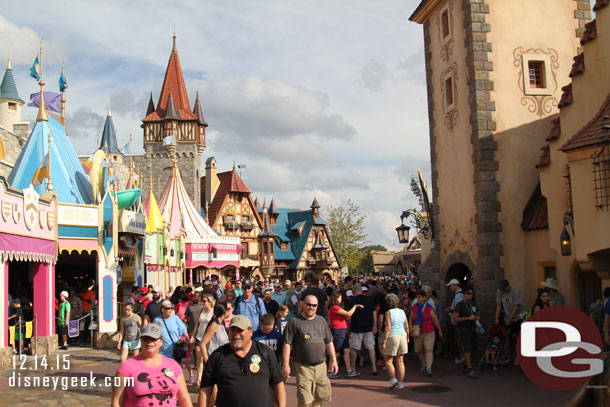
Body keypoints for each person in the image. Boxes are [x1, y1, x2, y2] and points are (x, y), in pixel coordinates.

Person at [199, 315, 286, 407]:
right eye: (233, 330)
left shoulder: (265, 352)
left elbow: (278, 383)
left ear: (251, 332)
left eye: (240, 330)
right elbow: (205, 390)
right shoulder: (217, 356)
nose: (236, 334)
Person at [111, 323, 193, 407]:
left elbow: (184, 398)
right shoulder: (126, 367)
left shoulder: (173, 365)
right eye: (145, 339)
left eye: (153, 339)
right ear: (141, 341)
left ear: (161, 342)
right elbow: (116, 402)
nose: (149, 342)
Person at [282, 295, 337, 407]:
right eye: (309, 304)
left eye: (314, 305)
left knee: (319, 398)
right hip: (303, 366)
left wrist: (334, 360)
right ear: (303, 305)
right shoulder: (294, 321)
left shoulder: (322, 321)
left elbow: (329, 342)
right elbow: (287, 344)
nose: (311, 307)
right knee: (304, 400)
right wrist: (286, 365)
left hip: (321, 366)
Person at [327, 291, 363, 378]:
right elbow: (348, 314)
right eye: (340, 298)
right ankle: (330, 371)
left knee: (347, 350)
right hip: (338, 330)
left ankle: (349, 370)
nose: (341, 299)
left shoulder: (338, 308)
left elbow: (347, 316)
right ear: (336, 299)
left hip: (342, 329)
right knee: (336, 352)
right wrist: (355, 306)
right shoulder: (334, 308)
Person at [346, 283, 378, 376]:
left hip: (356, 327)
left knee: (354, 348)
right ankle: (374, 367)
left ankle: (353, 368)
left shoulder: (352, 301)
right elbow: (374, 312)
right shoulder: (369, 299)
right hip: (368, 326)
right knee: (371, 347)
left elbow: (349, 316)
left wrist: (348, 328)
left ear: (354, 291)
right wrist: (374, 325)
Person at [379, 293, 409, 389]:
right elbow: (407, 326)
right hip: (402, 335)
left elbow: (388, 328)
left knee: (388, 360)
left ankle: (393, 379)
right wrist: (408, 337)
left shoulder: (388, 312)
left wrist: (384, 341)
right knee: (400, 361)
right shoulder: (402, 312)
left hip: (393, 336)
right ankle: (401, 383)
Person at [410, 290, 442, 376]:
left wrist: (439, 330)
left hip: (429, 331)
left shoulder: (429, 307)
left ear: (424, 298)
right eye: (417, 297)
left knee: (428, 350)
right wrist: (410, 327)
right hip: (418, 332)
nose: (418, 299)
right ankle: (424, 364)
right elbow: (411, 319)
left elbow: (435, 319)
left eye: (420, 297)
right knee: (420, 350)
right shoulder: (414, 307)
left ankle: (429, 368)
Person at [494, 279, 525, 365]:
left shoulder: (515, 291)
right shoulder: (499, 291)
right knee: (506, 336)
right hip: (507, 316)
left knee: (517, 337)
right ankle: (506, 356)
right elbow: (499, 305)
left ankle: (517, 357)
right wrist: (496, 318)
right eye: (502, 289)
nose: (503, 290)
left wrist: (510, 319)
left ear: (508, 286)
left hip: (518, 316)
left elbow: (516, 307)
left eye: (504, 288)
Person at [453, 288, 479, 378]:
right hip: (464, 329)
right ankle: (470, 368)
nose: (470, 295)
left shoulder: (472, 304)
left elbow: (476, 313)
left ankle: (466, 365)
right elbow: (455, 318)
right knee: (467, 348)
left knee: (472, 348)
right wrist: (468, 318)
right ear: (464, 294)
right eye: (468, 293)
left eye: (471, 294)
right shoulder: (459, 305)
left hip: (472, 328)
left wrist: (476, 317)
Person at [192, 294, 215, 386]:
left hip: (209, 338)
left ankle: (210, 376)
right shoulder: (201, 311)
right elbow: (196, 325)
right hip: (199, 336)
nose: (203, 302)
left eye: (205, 301)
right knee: (199, 358)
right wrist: (192, 336)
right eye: (203, 300)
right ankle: (199, 378)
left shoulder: (213, 312)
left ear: (210, 302)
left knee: (209, 358)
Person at [445, 278, 464, 364]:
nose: (450, 288)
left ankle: (462, 355)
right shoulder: (458, 294)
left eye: (451, 286)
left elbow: (458, 308)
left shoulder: (459, 295)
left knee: (459, 339)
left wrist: (450, 310)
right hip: (457, 321)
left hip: (458, 321)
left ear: (455, 285)